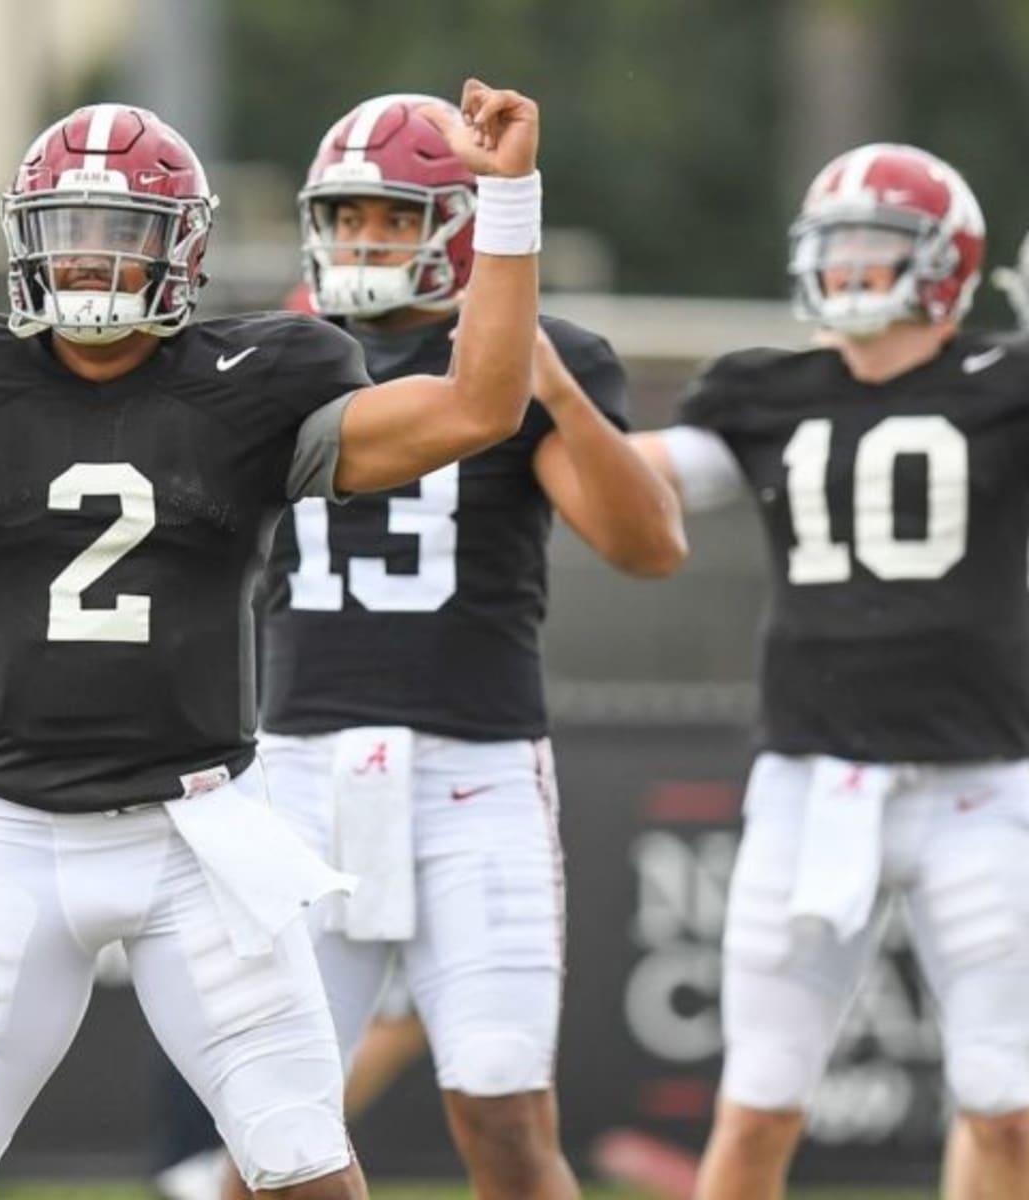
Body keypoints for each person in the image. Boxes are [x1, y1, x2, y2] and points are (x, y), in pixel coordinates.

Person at [0, 27, 545, 1200]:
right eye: (69, 234)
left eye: (124, 237)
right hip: (7, 830)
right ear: (23, 243)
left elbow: (480, 405)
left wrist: (506, 199)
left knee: (301, 1163)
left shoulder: (261, 379)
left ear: (184, 249)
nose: (95, 264)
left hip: (198, 833)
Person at [236, 93, 685, 1200]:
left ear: (461, 226)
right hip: (298, 767)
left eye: (390, 219)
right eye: (344, 218)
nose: (362, 244)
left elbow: (649, 544)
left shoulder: (538, 350)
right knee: (270, 1127)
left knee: (502, 1113)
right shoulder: (273, 352)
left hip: (473, 770)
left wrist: (558, 387)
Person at [630, 142, 1029, 1200]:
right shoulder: (766, 388)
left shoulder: (1006, 382)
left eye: (876, 247)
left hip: (979, 785)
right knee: (757, 1106)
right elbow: (639, 481)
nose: (849, 269)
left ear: (945, 263)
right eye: (836, 247)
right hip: (813, 783)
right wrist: (547, 407)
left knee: (1009, 1109)